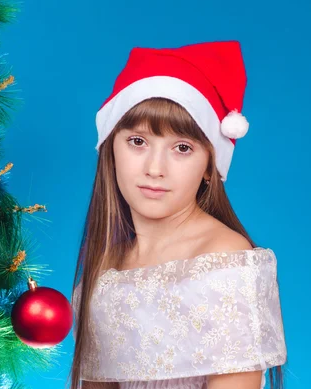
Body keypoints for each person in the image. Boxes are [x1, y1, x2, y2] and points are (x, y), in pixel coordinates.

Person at [68, 41, 287, 389]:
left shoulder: (224, 261)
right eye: (137, 142)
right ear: (111, 148)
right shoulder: (108, 264)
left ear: (208, 166)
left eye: (182, 148)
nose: (155, 168)